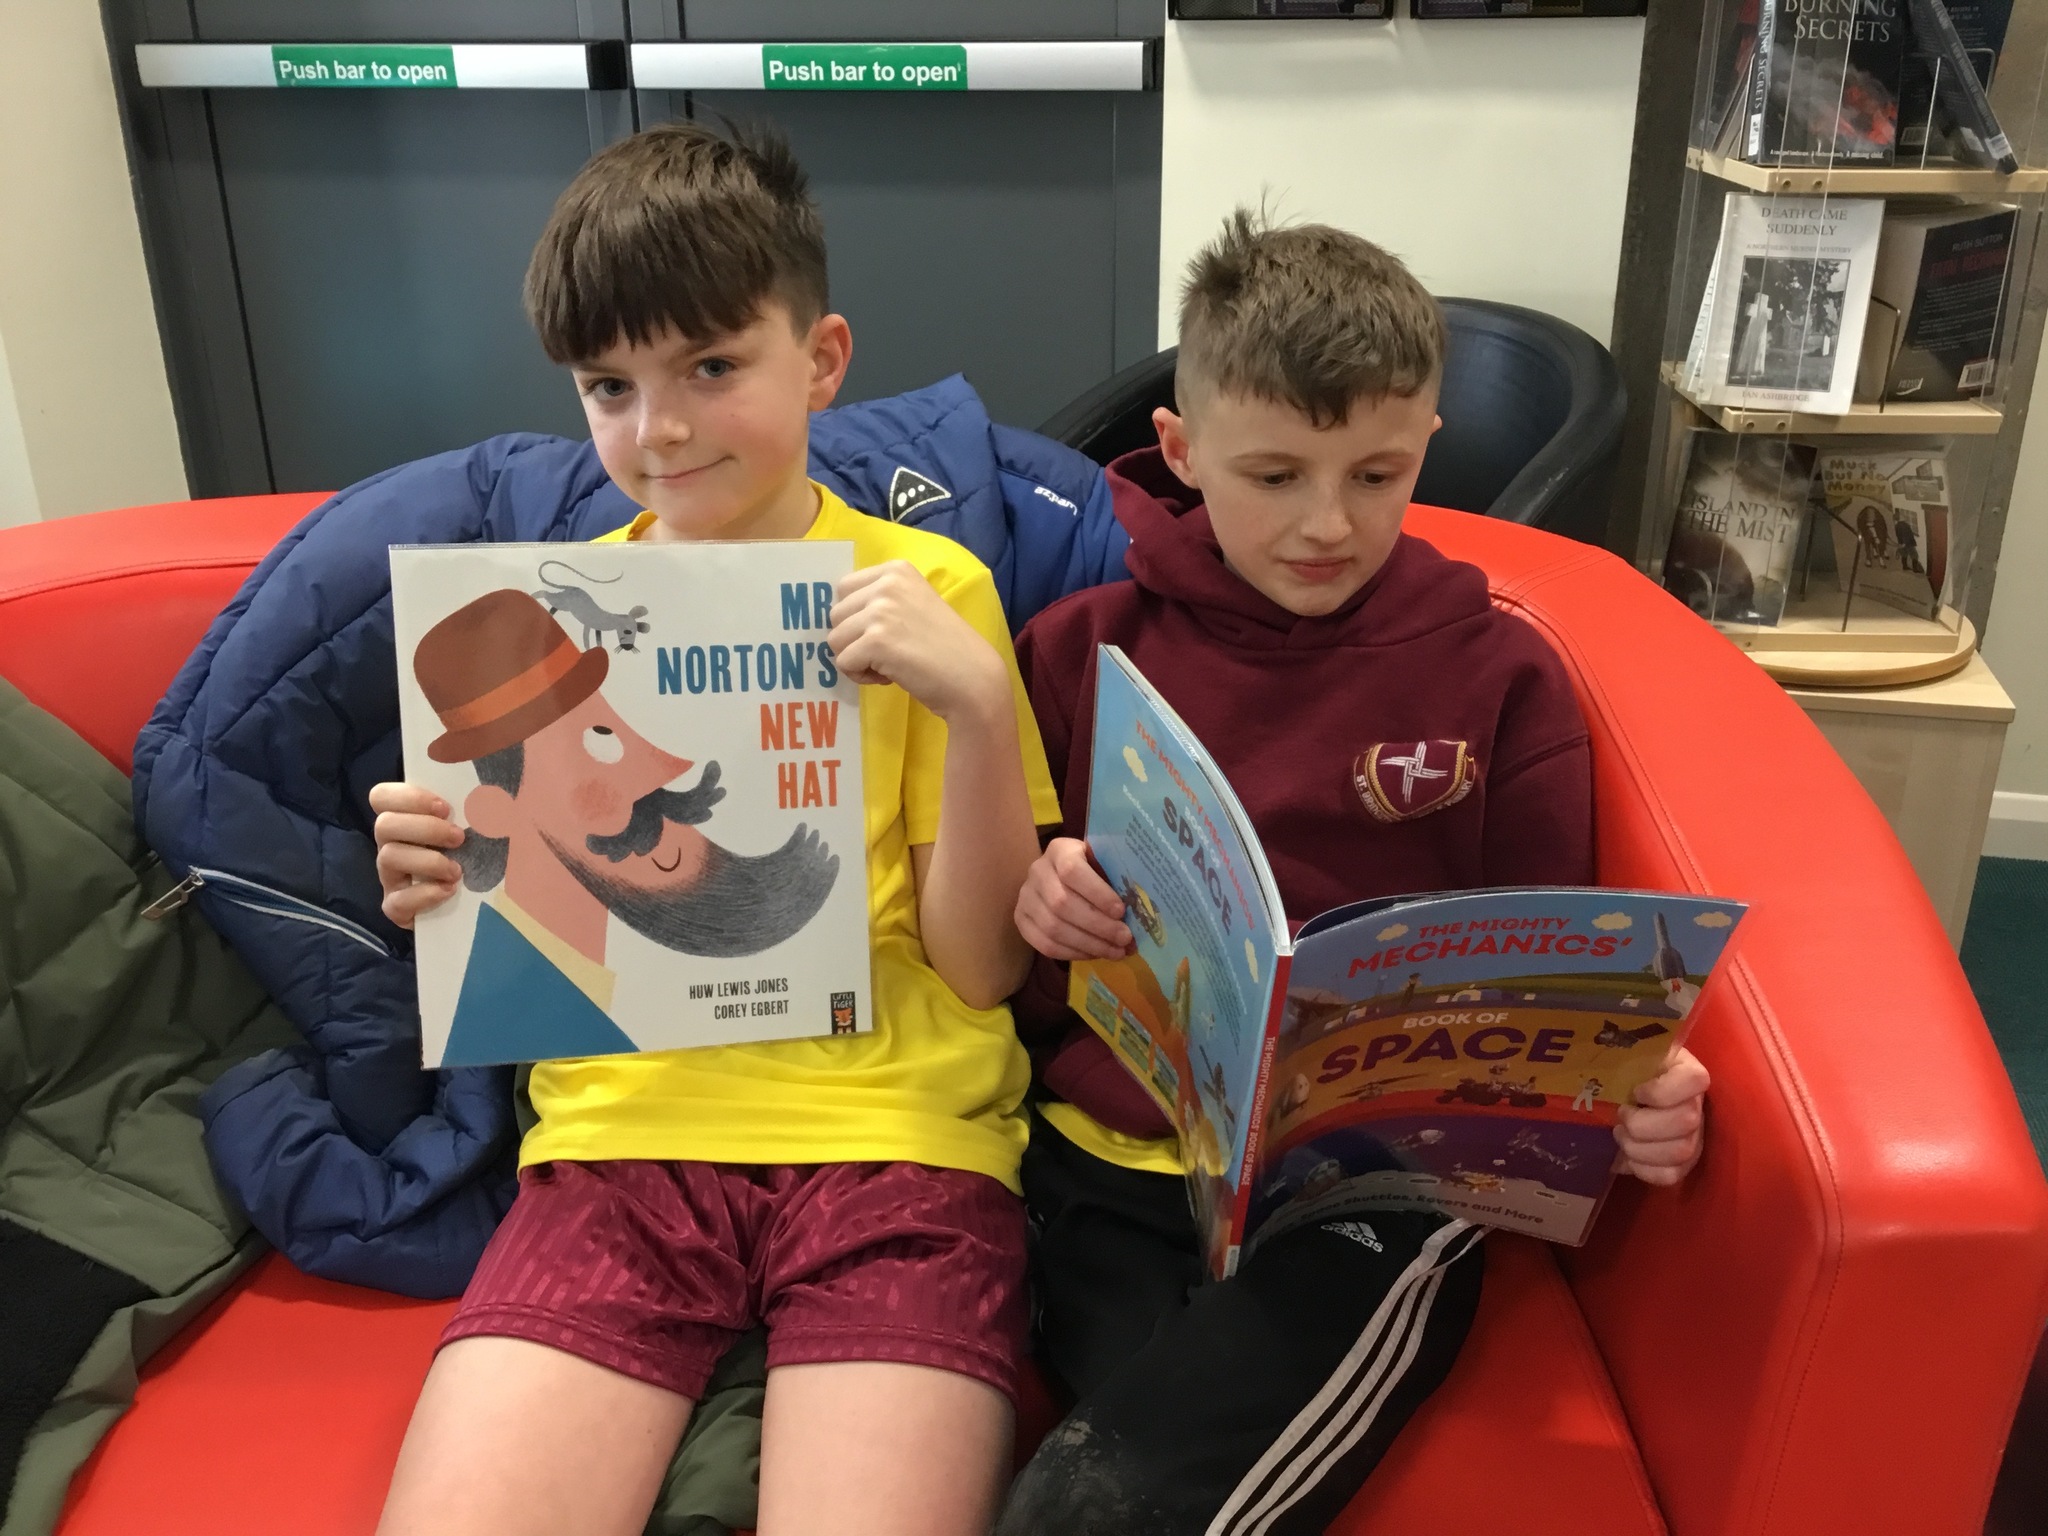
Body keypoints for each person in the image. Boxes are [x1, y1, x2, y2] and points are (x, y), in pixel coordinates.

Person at [366, 121, 1061, 1536]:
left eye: (712, 368)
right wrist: (443, 876)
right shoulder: (533, 620)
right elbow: (526, 930)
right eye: (609, 387)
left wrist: (983, 710)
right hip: (619, 1150)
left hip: (899, 1144)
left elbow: (985, 971)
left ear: (823, 359)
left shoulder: (929, 591)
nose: (661, 431)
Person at [999, 210, 1711, 1536]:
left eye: (1377, 475)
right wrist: (1044, 910)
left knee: (1095, 1505)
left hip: (1376, 1182)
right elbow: (1003, 968)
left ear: (1426, 445)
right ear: (1181, 453)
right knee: (1096, 1478)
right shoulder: (1081, 650)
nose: (1327, 524)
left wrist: (1631, 1082)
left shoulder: (1499, 676)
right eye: (1274, 475)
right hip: (1115, 1162)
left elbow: (1563, 971)